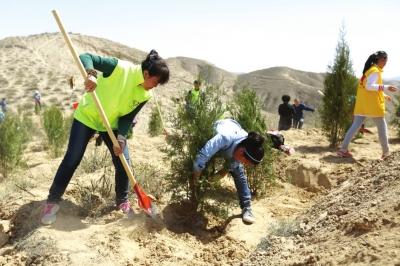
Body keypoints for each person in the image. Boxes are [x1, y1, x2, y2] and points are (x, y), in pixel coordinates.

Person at [41, 50, 170, 225]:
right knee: (73, 158)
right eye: (155, 82)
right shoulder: (120, 68)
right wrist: (91, 74)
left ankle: (122, 201)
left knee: (124, 163)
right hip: (88, 116)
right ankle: (52, 201)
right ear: (146, 74)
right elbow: (87, 57)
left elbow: (127, 117)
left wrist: (121, 138)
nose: (155, 87)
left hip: (112, 124)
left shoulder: (145, 94)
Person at [192, 118, 265, 224]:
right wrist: (196, 177)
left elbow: (228, 168)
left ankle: (247, 208)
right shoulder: (225, 137)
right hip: (214, 131)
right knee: (200, 163)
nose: (244, 164)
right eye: (245, 162)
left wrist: (214, 178)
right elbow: (202, 156)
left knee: (239, 173)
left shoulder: (244, 146)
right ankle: (193, 198)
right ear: (241, 152)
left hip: (232, 143)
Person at [337, 51, 398, 160]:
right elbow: (370, 86)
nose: (385, 63)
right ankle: (386, 153)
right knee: (382, 128)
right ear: (379, 59)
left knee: (355, 126)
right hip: (372, 105)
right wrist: (386, 87)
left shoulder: (368, 71)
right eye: (384, 60)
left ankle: (343, 150)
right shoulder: (375, 71)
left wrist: (383, 95)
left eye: (386, 60)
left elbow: (367, 87)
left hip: (362, 104)